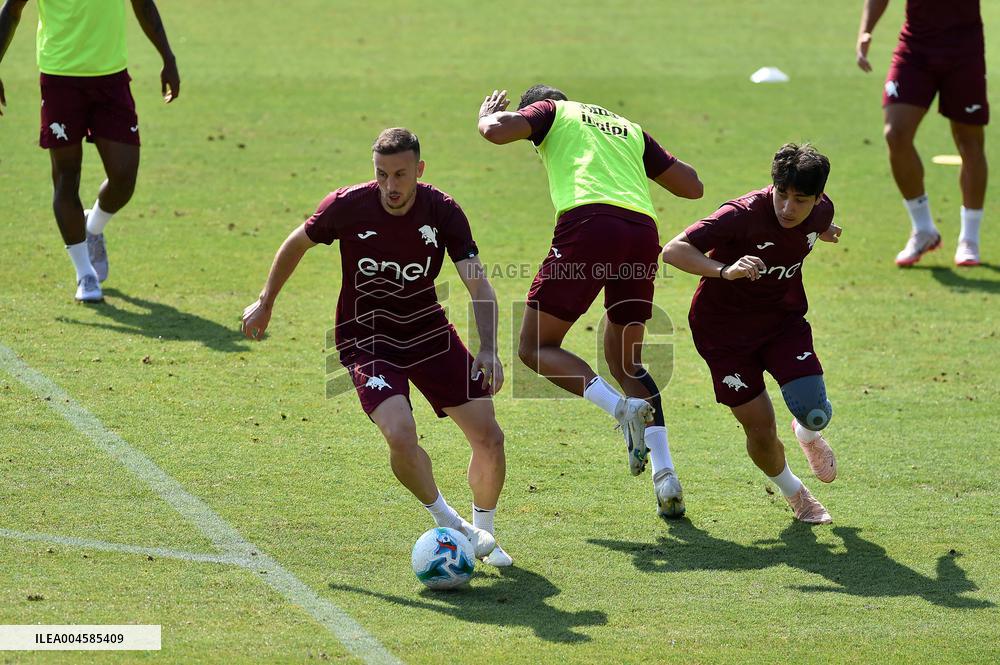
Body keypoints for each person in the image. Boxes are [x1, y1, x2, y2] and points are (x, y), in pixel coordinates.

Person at [241, 128, 511, 566]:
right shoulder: (349, 205)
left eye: (401, 174)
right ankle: (453, 524)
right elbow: (297, 242)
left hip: (427, 331)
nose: (391, 186)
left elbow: (479, 285)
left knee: (489, 437)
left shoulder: (443, 212)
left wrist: (488, 349)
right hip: (366, 339)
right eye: (382, 174)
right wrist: (266, 301)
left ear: (419, 171)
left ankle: (486, 534)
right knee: (400, 435)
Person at [477, 86, 703, 519]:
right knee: (628, 364)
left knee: (534, 348)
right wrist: (638, 154)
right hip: (641, 234)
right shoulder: (627, 128)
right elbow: (692, 186)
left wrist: (486, 116)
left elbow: (496, 132)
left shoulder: (551, 111)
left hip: (589, 227)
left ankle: (620, 409)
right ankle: (666, 476)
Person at [661, 144, 841, 524]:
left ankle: (807, 436)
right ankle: (797, 494)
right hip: (723, 333)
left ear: (818, 198)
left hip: (782, 323)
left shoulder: (821, 211)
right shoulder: (740, 215)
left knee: (815, 413)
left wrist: (823, 230)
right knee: (760, 430)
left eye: (801, 200)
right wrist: (726, 270)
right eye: (781, 195)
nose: (788, 208)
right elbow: (673, 250)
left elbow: (817, 220)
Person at [0, 0, 180, 302]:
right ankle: (85, 273)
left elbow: (142, 4)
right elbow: (13, 10)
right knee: (66, 177)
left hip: (111, 77)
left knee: (124, 176)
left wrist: (168, 57)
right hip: (60, 78)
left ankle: (93, 226)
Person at [856, 0, 987, 267]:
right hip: (916, 48)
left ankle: (969, 238)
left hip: (965, 51)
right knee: (896, 134)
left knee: (969, 142)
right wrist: (865, 30)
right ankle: (923, 228)